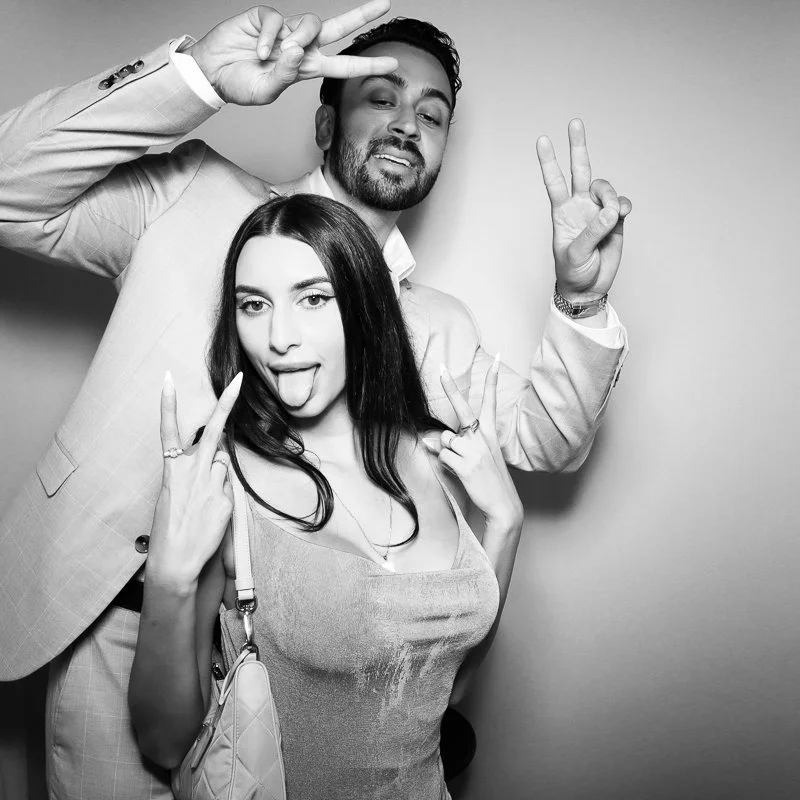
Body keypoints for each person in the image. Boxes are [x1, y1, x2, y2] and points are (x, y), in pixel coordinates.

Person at [0, 2, 629, 797]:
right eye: (382, 97)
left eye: (432, 114)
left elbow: (547, 437)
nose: (408, 123)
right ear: (326, 123)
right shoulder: (193, 196)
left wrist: (579, 298)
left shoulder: (430, 325)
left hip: (309, 669)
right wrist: (199, 75)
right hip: (124, 617)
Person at [129, 192, 524, 800]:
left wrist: (505, 523)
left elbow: (443, 686)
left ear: (365, 307)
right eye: (254, 305)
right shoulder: (224, 481)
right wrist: (168, 580)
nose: (279, 337)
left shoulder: (437, 459)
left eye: (313, 299)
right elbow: (163, 743)